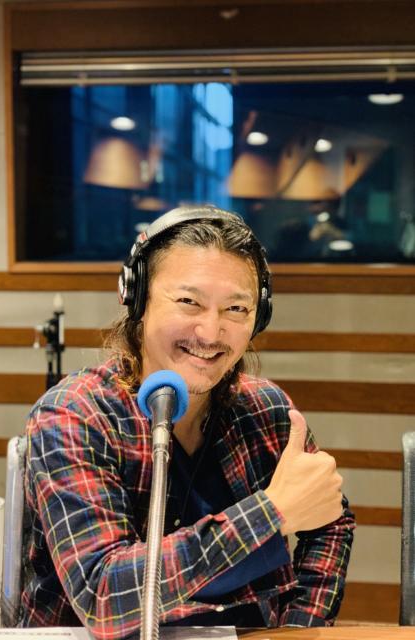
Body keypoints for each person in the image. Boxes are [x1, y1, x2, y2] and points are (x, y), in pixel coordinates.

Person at [21, 205, 355, 638]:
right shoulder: (74, 415)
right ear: (136, 298)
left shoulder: (265, 410)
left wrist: (297, 628)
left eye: (236, 308)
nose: (211, 333)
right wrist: (270, 514)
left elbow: (329, 521)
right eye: (188, 302)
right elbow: (103, 596)